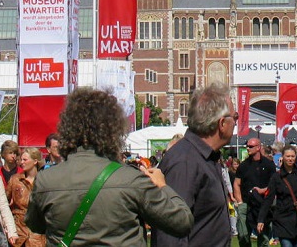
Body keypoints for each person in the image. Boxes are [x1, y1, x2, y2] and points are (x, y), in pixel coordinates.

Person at [26, 88, 192, 246]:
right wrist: (162, 186)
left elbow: (36, 225)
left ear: (67, 129)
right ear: (112, 130)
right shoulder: (131, 180)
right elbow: (182, 221)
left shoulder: (46, 180)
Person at [154, 83, 236, 247]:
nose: (235, 123)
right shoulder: (185, 162)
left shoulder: (206, 157)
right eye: (235, 117)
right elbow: (171, 233)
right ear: (222, 124)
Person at [256, 145, 297, 247]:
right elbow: (268, 199)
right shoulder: (276, 177)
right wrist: (261, 219)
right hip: (283, 219)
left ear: (296, 157)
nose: (290, 159)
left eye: (292, 156)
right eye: (288, 156)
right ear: (282, 157)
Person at [233, 138, 276, 247]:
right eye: (247, 146)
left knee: (264, 237)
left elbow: (274, 185)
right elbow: (237, 184)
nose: (248, 148)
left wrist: (263, 191)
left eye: (251, 146)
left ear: (258, 147)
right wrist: (240, 202)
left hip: (263, 204)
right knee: (243, 235)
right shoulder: (243, 166)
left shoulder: (269, 165)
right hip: (246, 204)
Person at [5, 149, 44, 247]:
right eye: (21, 159)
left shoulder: (44, 180)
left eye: (25, 160)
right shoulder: (15, 179)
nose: (21, 162)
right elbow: (4, 203)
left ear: (35, 161)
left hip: (38, 234)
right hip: (19, 231)